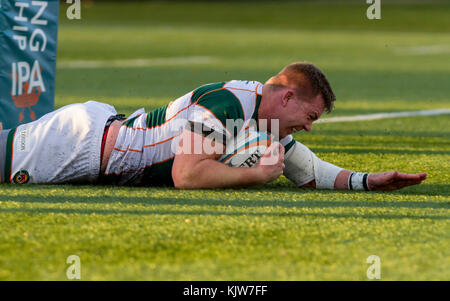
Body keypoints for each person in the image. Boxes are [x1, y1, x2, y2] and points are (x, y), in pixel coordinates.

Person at [0, 62, 427, 191]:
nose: (308, 128)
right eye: (309, 117)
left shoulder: (262, 120)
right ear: (287, 97)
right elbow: (186, 174)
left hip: (98, 137)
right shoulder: (228, 104)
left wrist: (370, 182)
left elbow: (306, 169)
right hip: (79, 145)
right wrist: (254, 174)